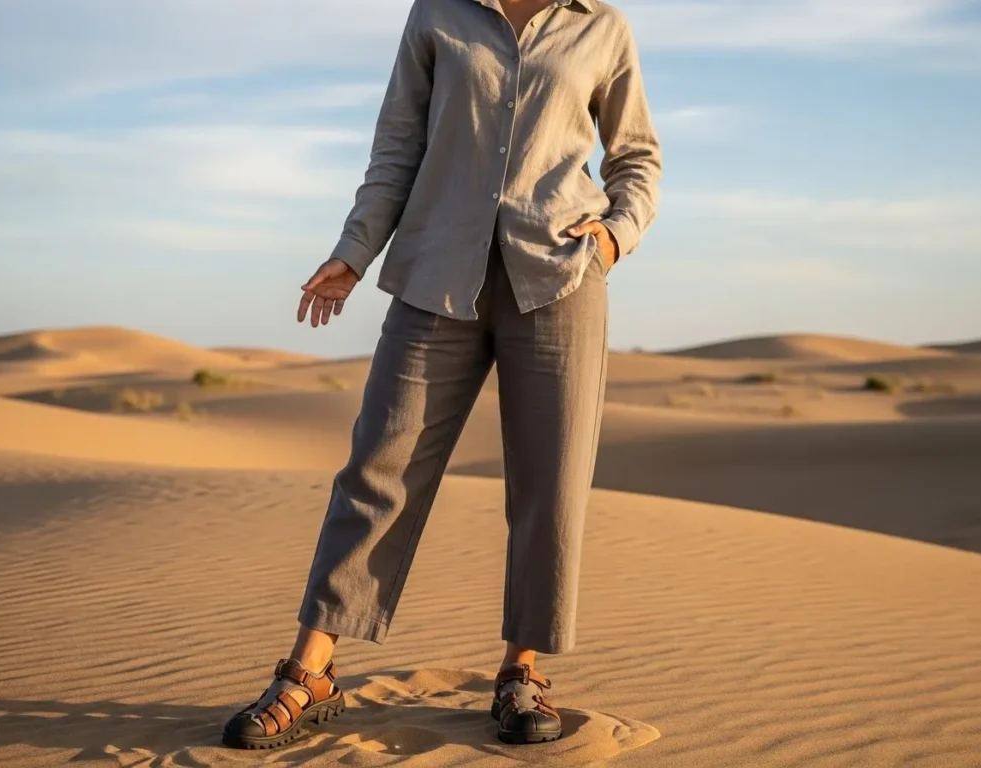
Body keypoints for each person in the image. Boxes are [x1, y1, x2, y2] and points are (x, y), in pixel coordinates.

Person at [222, 0, 660, 749]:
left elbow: (637, 158)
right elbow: (397, 147)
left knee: (548, 484)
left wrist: (615, 238)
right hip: (435, 275)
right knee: (377, 467)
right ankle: (309, 671)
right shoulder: (437, 16)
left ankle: (521, 670)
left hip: (560, 274)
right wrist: (354, 252)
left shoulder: (602, 26)